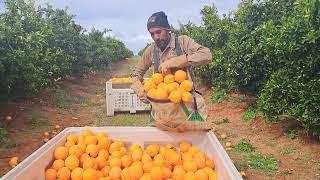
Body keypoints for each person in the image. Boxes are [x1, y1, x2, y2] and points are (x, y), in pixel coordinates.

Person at [131, 11, 212, 103]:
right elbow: (136, 73)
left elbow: (206, 55)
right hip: (163, 108)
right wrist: (139, 90)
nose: (156, 37)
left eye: (158, 32)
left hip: (185, 104)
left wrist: (175, 62)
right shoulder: (151, 50)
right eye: (152, 34)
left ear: (167, 29)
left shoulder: (183, 42)